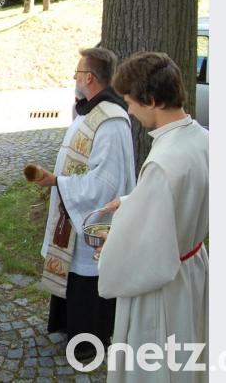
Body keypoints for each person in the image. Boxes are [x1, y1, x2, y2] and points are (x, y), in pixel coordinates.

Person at [98, 52, 208, 382]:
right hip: (193, 269)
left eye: (131, 102)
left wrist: (111, 243)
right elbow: (188, 191)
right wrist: (134, 202)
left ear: (152, 100)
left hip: (164, 285)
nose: (129, 111)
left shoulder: (164, 161)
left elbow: (139, 252)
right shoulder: (202, 139)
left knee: (160, 365)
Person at [27, 47, 135, 362]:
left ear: (88, 77)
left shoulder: (112, 121)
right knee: (75, 271)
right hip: (73, 208)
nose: (74, 78)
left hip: (93, 213)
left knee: (89, 273)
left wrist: (59, 183)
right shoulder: (90, 110)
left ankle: (91, 340)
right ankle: (67, 323)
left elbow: (106, 182)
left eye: (77, 73)